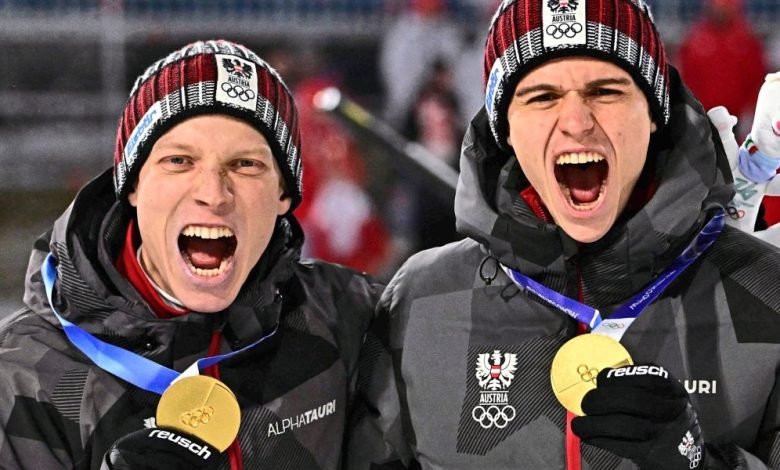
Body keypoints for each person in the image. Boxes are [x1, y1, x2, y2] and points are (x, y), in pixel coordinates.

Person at [347, 1, 780, 469]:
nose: (576, 122)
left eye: (605, 91)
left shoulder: (767, 291)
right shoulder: (421, 299)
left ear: (654, 112)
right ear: (504, 127)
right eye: (542, 97)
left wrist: (700, 464)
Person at [0, 39, 382, 469]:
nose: (214, 194)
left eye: (246, 165)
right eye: (179, 161)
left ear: (283, 194)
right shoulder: (21, 378)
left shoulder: (347, 319)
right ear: (133, 185)